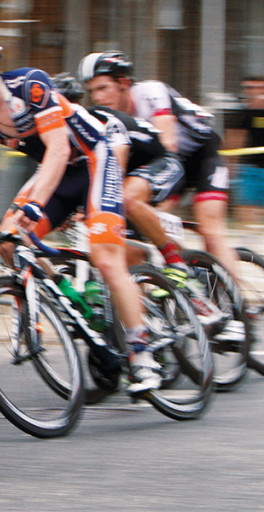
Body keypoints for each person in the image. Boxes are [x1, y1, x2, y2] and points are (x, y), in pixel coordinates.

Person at [0, 28, 159, 394]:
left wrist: (36, 205)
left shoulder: (28, 86)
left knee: (105, 256)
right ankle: (61, 298)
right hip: (58, 174)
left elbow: (58, 149)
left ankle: (141, 353)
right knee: (8, 238)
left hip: (92, 161)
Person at [51, 72, 229, 328]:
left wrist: (89, 205)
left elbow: (114, 167)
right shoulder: (56, 138)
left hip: (162, 162)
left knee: (125, 199)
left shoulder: (99, 119)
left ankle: (175, 262)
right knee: (127, 255)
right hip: (133, 173)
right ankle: (151, 327)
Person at [78, 51, 240, 283]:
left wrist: (158, 203)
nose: (97, 97)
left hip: (200, 158)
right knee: (148, 223)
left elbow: (168, 144)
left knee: (210, 229)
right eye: (92, 91)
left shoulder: (151, 92)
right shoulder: (108, 118)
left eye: (103, 88)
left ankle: (238, 301)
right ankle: (187, 272)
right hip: (165, 167)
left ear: (123, 83)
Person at [226, 76, 264, 226]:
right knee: (246, 208)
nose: (254, 92)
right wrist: (230, 166)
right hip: (249, 169)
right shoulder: (241, 114)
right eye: (249, 88)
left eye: (259, 88)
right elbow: (233, 140)